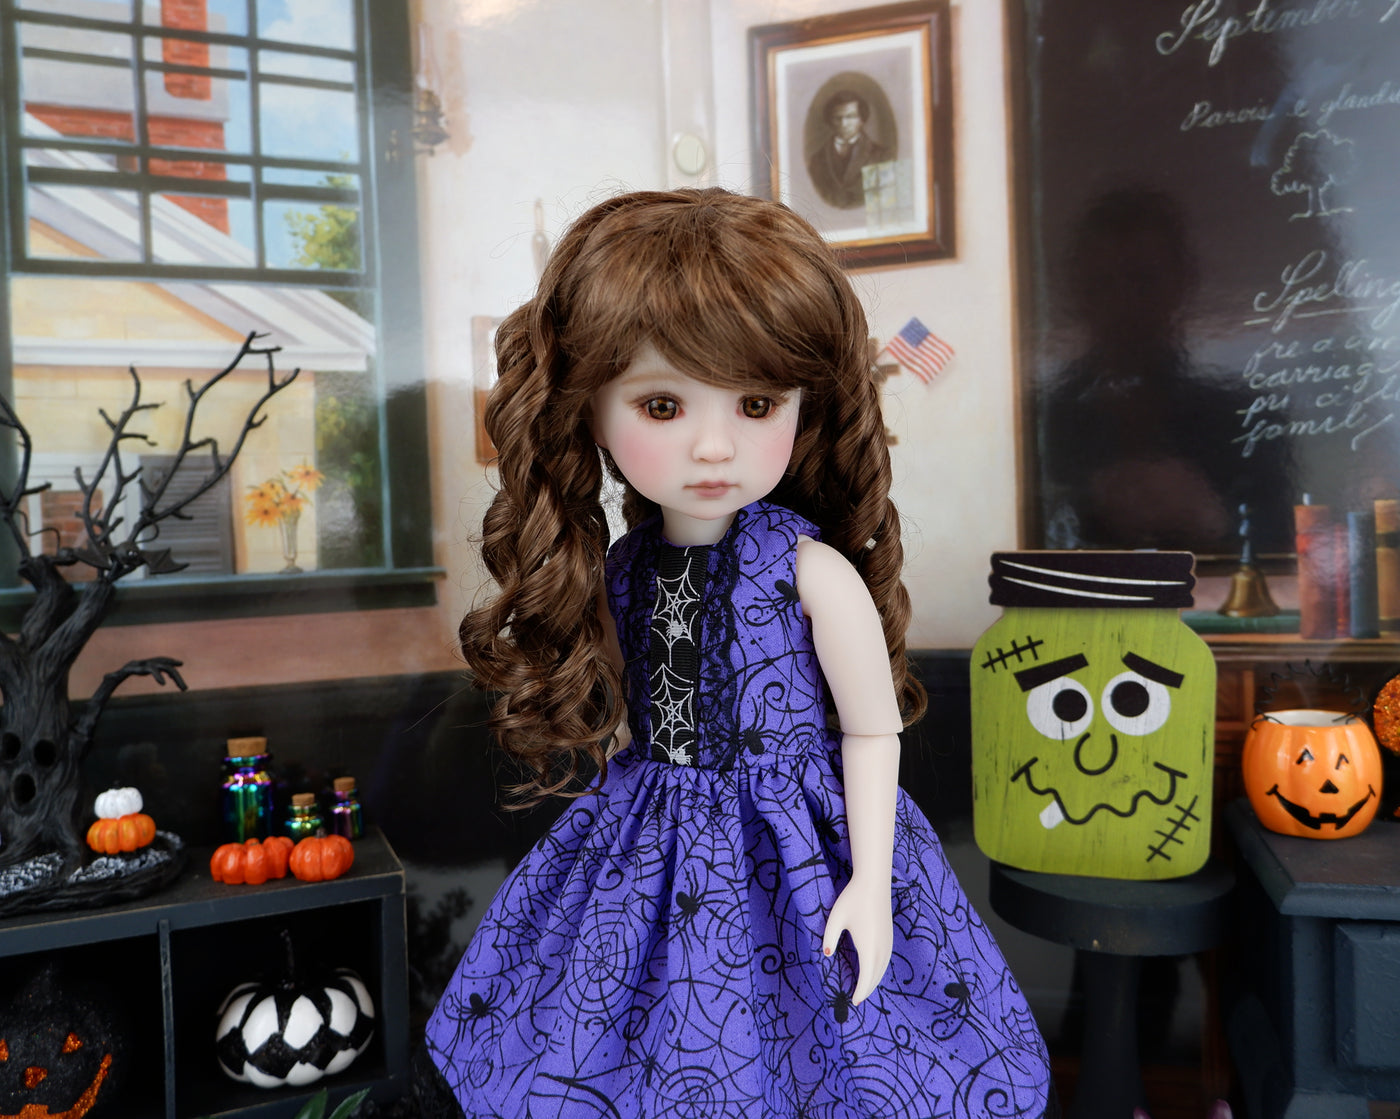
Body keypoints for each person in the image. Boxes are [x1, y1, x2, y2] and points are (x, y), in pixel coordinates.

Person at [423, 188, 1052, 1118]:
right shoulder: (624, 570)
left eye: (758, 403)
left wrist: (872, 882)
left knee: (814, 1049)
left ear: (804, 404)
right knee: (634, 1044)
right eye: (662, 404)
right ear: (590, 411)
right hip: (646, 843)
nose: (714, 445)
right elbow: (633, 711)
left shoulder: (809, 571)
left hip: (798, 850)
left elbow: (871, 732)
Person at [806, 90, 890, 209]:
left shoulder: (881, 156)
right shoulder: (816, 160)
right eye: (837, 118)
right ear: (830, 120)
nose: (843, 123)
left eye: (850, 117)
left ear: (862, 120)